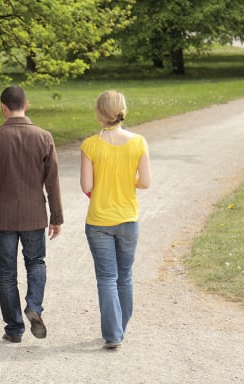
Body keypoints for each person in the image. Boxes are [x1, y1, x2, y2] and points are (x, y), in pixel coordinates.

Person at [0, 85, 63, 344]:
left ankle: (14, 328)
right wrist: (56, 217)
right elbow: (52, 182)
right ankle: (34, 305)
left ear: (3, 107)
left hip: (3, 216)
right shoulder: (45, 137)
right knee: (36, 262)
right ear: (27, 105)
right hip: (35, 215)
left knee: (7, 273)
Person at [79, 90, 151, 350]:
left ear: (99, 114)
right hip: (128, 219)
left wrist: (103, 183)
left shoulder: (90, 146)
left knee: (107, 278)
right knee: (125, 277)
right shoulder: (139, 142)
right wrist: (126, 180)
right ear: (123, 110)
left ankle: (112, 334)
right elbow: (145, 182)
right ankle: (120, 327)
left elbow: (86, 185)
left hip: (99, 220)